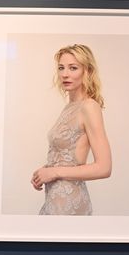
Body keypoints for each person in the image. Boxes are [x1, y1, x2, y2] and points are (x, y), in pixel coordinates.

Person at [31, 44, 112, 215]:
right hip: (53, 198)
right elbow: (68, 156)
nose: (65, 74)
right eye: (61, 68)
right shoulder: (70, 107)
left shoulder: (89, 107)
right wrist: (44, 171)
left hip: (70, 202)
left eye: (73, 68)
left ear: (87, 71)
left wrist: (53, 172)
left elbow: (104, 167)